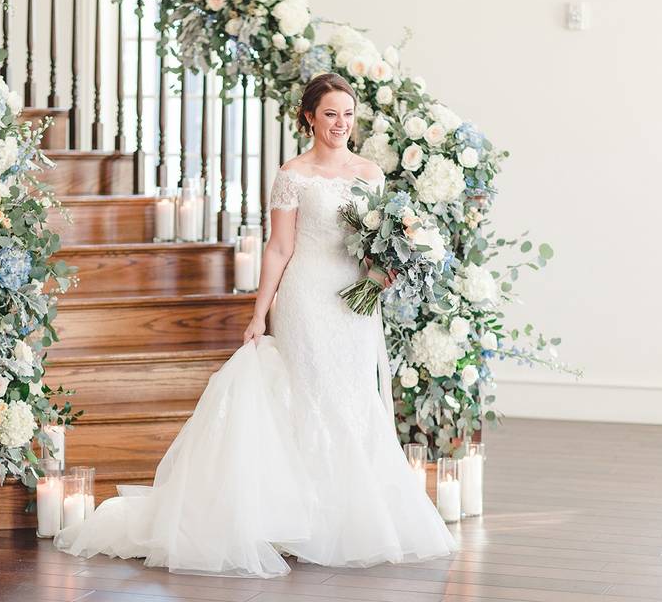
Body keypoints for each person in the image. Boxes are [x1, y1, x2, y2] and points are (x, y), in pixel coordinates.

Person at [53, 73, 457, 578]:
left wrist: (383, 272)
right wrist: (258, 312)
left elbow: (379, 241)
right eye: (330, 114)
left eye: (348, 114)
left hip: (357, 301)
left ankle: (347, 513)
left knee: (354, 396)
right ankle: (300, 517)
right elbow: (279, 249)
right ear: (310, 117)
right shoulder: (293, 174)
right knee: (312, 396)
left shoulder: (371, 175)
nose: (341, 124)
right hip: (306, 296)